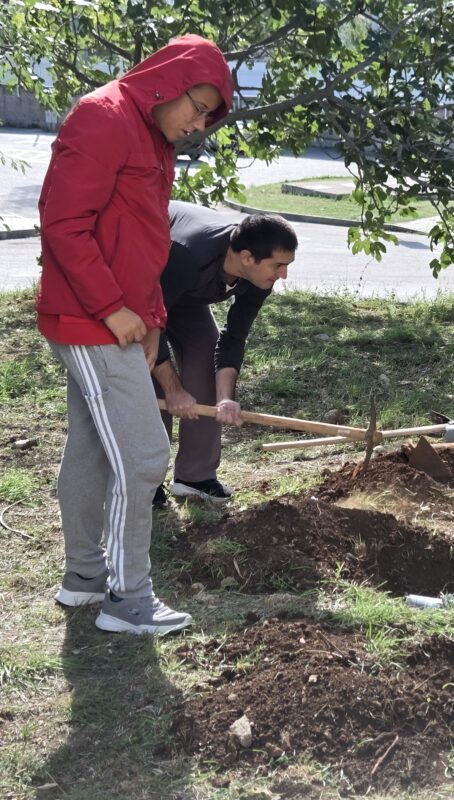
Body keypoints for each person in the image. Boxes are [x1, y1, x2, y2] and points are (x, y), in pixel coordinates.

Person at [39, 35, 234, 634]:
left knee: (93, 447)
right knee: (146, 455)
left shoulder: (152, 138)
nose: (198, 124)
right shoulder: (103, 116)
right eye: (196, 107)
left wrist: (150, 318)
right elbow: (63, 222)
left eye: (208, 116)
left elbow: (145, 238)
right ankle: (129, 599)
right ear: (167, 81)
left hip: (121, 320)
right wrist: (113, 310)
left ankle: (84, 579)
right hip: (89, 320)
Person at [152, 201, 297, 503]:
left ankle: (195, 477)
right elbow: (147, 324)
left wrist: (225, 398)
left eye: (286, 265)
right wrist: (174, 389)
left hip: (185, 295)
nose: (283, 275)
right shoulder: (187, 256)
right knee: (148, 369)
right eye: (278, 266)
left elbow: (233, 338)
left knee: (206, 348)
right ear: (246, 257)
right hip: (144, 294)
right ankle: (145, 480)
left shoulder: (260, 274)